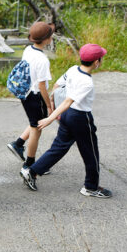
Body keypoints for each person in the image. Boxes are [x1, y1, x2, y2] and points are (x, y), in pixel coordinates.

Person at [20, 44, 112, 198]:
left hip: (67, 116)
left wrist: (53, 104)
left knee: (59, 148)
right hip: (81, 117)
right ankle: (91, 187)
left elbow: (57, 86)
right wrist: (50, 118)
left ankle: (32, 171)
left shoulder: (73, 69)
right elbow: (68, 101)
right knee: (91, 153)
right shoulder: (87, 82)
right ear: (97, 62)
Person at [7, 22, 54, 169]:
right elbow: (42, 86)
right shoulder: (42, 60)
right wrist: (49, 105)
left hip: (25, 93)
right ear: (46, 39)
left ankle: (18, 144)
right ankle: (30, 164)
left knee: (35, 121)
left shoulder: (28, 49)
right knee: (36, 128)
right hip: (35, 96)